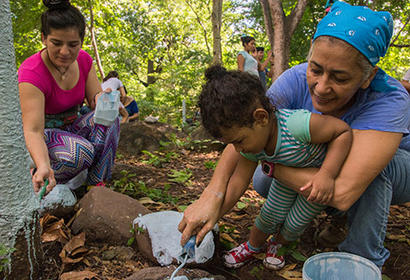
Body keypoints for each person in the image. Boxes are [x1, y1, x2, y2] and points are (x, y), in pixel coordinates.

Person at [179, 1, 410, 269]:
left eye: (340, 78)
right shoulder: (297, 78)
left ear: (367, 76)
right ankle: (336, 218)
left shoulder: (389, 98)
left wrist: (271, 165)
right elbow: (246, 131)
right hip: (316, 166)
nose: (321, 87)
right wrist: (212, 196)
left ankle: (360, 259)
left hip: (394, 171)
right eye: (316, 69)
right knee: (262, 182)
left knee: (373, 176)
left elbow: (346, 190)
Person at [198, 65, 352, 270]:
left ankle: (278, 243)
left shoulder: (297, 125)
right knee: (269, 214)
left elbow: (342, 132)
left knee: (296, 223)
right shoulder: (251, 146)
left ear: (261, 118)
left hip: (315, 182)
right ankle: (253, 246)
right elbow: (238, 182)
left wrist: (327, 173)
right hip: (286, 179)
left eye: (239, 141)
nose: (237, 149)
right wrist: (213, 217)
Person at [18, 0, 120, 194]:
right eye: (56, 43)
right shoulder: (32, 73)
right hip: (43, 137)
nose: (65, 52)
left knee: (110, 118)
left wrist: (103, 99)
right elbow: (32, 130)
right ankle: (39, 177)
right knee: (81, 152)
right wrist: (42, 164)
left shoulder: (83, 60)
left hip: (72, 128)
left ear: (81, 42)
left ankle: (96, 186)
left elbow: (94, 98)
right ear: (43, 38)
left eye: (73, 45)